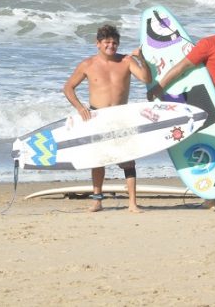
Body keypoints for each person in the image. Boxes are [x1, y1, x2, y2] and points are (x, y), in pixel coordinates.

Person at [147, 6, 215, 211]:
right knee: (210, 149)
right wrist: (159, 87)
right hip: (210, 107)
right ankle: (210, 197)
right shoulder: (209, 44)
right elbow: (183, 67)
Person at [63, 24, 152, 213]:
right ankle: (97, 201)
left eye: (114, 42)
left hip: (121, 116)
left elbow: (146, 79)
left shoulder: (127, 61)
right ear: (98, 44)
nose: (111, 46)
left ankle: (132, 203)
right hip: (98, 116)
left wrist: (141, 59)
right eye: (107, 42)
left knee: (128, 160)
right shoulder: (87, 65)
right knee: (98, 159)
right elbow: (68, 87)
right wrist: (80, 108)